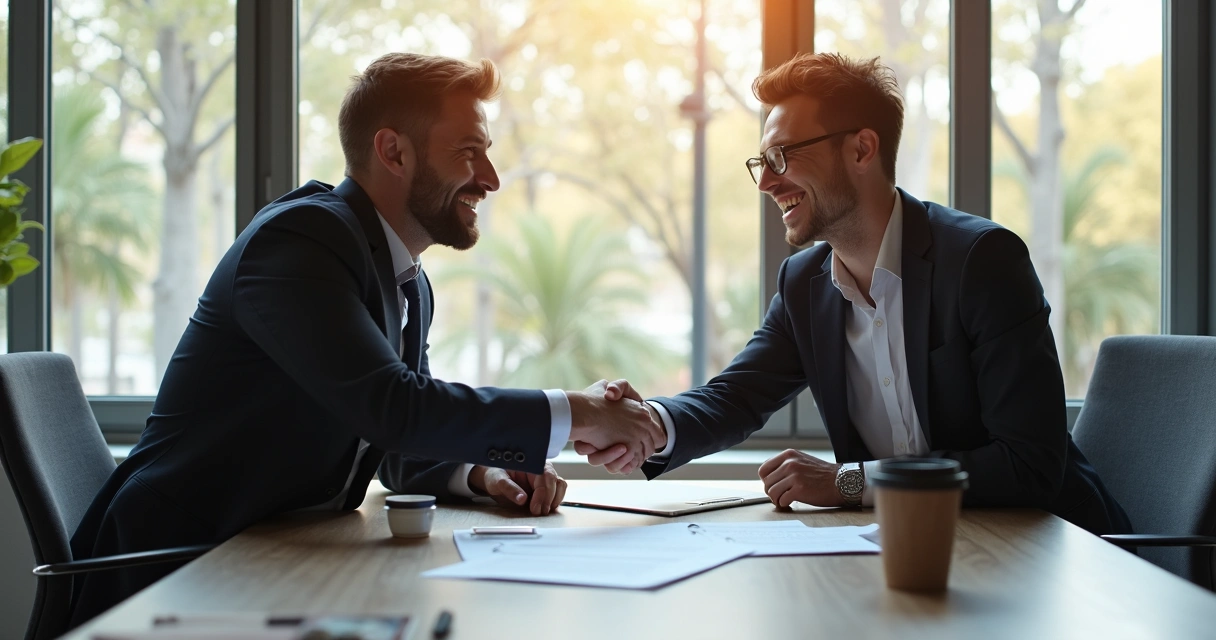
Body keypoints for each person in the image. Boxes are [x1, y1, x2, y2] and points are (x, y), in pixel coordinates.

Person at [68, 53, 664, 627]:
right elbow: (393, 408)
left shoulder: (404, 278)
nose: (491, 178)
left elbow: (398, 445)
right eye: (468, 152)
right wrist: (577, 412)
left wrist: (483, 475)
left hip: (266, 561)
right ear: (392, 151)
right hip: (173, 570)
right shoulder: (301, 241)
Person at [581, 52, 1130, 536]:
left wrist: (848, 481)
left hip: (1056, 549)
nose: (767, 183)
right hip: (913, 545)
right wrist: (651, 424)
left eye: (781, 157)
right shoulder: (805, 283)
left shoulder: (981, 262)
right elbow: (735, 397)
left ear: (862, 149)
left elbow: (1028, 465)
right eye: (761, 164)